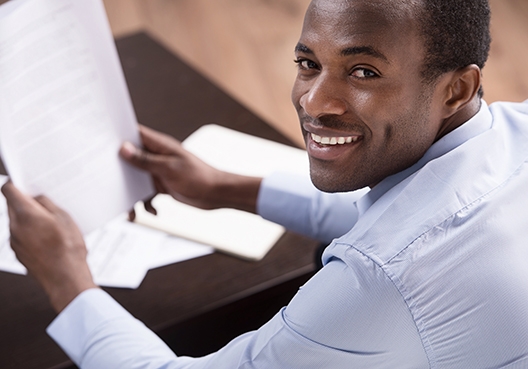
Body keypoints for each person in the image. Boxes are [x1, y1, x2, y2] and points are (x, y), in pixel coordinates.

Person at [3, 0, 528, 367]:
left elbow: (401, 251)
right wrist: (225, 188)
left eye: (364, 72)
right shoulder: (514, 131)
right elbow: (416, 219)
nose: (314, 102)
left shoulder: (377, 286)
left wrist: (67, 279)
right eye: (308, 63)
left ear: (457, 88)